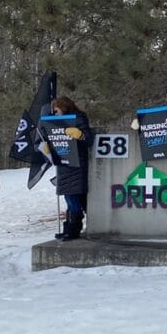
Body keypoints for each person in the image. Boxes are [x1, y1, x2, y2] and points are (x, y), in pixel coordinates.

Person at [50, 95, 94, 241]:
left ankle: (74, 228)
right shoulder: (57, 123)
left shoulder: (79, 118)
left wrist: (79, 134)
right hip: (63, 162)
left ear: (63, 107)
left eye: (56, 110)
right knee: (68, 197)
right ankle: (69, 226)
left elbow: (88, 139)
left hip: (76, 163)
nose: (54, 113)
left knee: (72, 196)